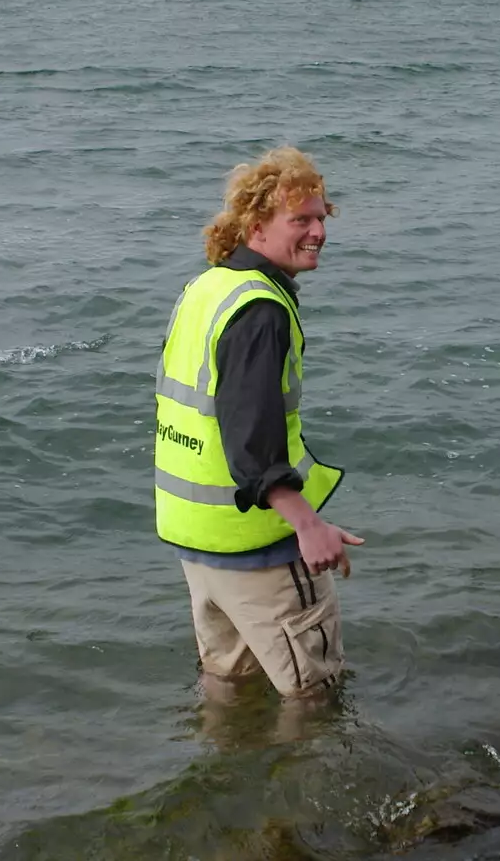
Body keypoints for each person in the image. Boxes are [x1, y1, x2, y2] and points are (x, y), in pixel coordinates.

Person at [155, 146, 363, 701]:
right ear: (256, 226)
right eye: (301, 219)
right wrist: (307, 525)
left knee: (230, 687)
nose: (318, 231)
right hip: (256, 547)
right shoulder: (260, 309)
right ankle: (304, 789)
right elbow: (250, 436)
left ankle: (226, 778)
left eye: (322, 217)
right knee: (314, 698)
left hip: (198, 541)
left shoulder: (207, 288)